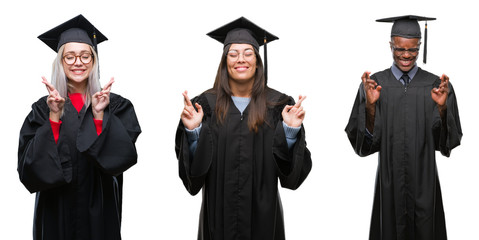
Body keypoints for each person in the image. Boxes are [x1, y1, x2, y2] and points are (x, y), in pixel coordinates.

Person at [175, 17, 312, 240]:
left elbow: (291, 178)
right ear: (224, 61)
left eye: (248, 53)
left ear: (257, 60)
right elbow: (193, 177)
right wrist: (193, 132)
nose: (241, 59)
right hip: (218, 218)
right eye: (233, 54)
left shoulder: (278, 105)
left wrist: (289, 131)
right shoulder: (205, 106)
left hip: (264, 218)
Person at [18, 14, 141, 240]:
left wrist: (98, 115)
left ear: (94, 61)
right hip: (56, 210)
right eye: (70, 57)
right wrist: (54, 117)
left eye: (85, 56)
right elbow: (29, 169)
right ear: (61, 62)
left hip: (100, 210)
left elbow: (121, 158)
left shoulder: (115, 106)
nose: (78, 62)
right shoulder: (42, 109)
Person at [345, 15, 462, 240]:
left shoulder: (437, 86)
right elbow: (365, 144)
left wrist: (442, 108)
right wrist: (370, 106)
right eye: (399, 49)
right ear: (390, 45)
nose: (406, 55)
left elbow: (447, 143)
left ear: (420, 46)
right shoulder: (374, 84)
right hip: (390, 183)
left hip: (425, 184)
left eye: (413, 49)